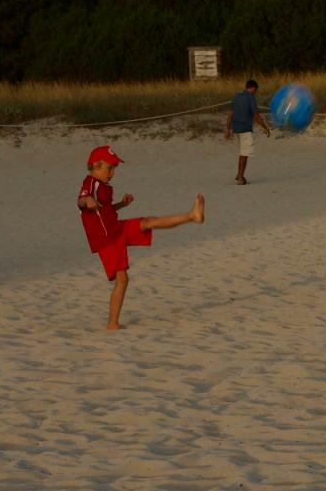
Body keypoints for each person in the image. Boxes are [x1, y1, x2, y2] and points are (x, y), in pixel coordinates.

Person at [77, 145, 205, 331]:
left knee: (148, 222)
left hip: (116, 228)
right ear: (96, 166)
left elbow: (105, 210)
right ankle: (112, 323)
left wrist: (121, 204)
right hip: (106, 239)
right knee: (122, 280)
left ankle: (192, 216)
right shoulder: (91, 182)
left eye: (114, 168)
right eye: (109, 168)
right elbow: (81, 200)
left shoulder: (104, 186)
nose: (112, 173)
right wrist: (86, 201)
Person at [225, 79, 271, 185]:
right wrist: (265, 127)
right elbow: (256, 115)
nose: (256, 92)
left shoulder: (237, 96)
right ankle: (240, 178)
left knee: (243, 152)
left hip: (236, 128)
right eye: (256, 90)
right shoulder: (251, 97)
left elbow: (231, 114)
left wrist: (227, 129)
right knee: (244, 154)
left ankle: (239, 174)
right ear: (253, 88)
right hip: (245, 129)